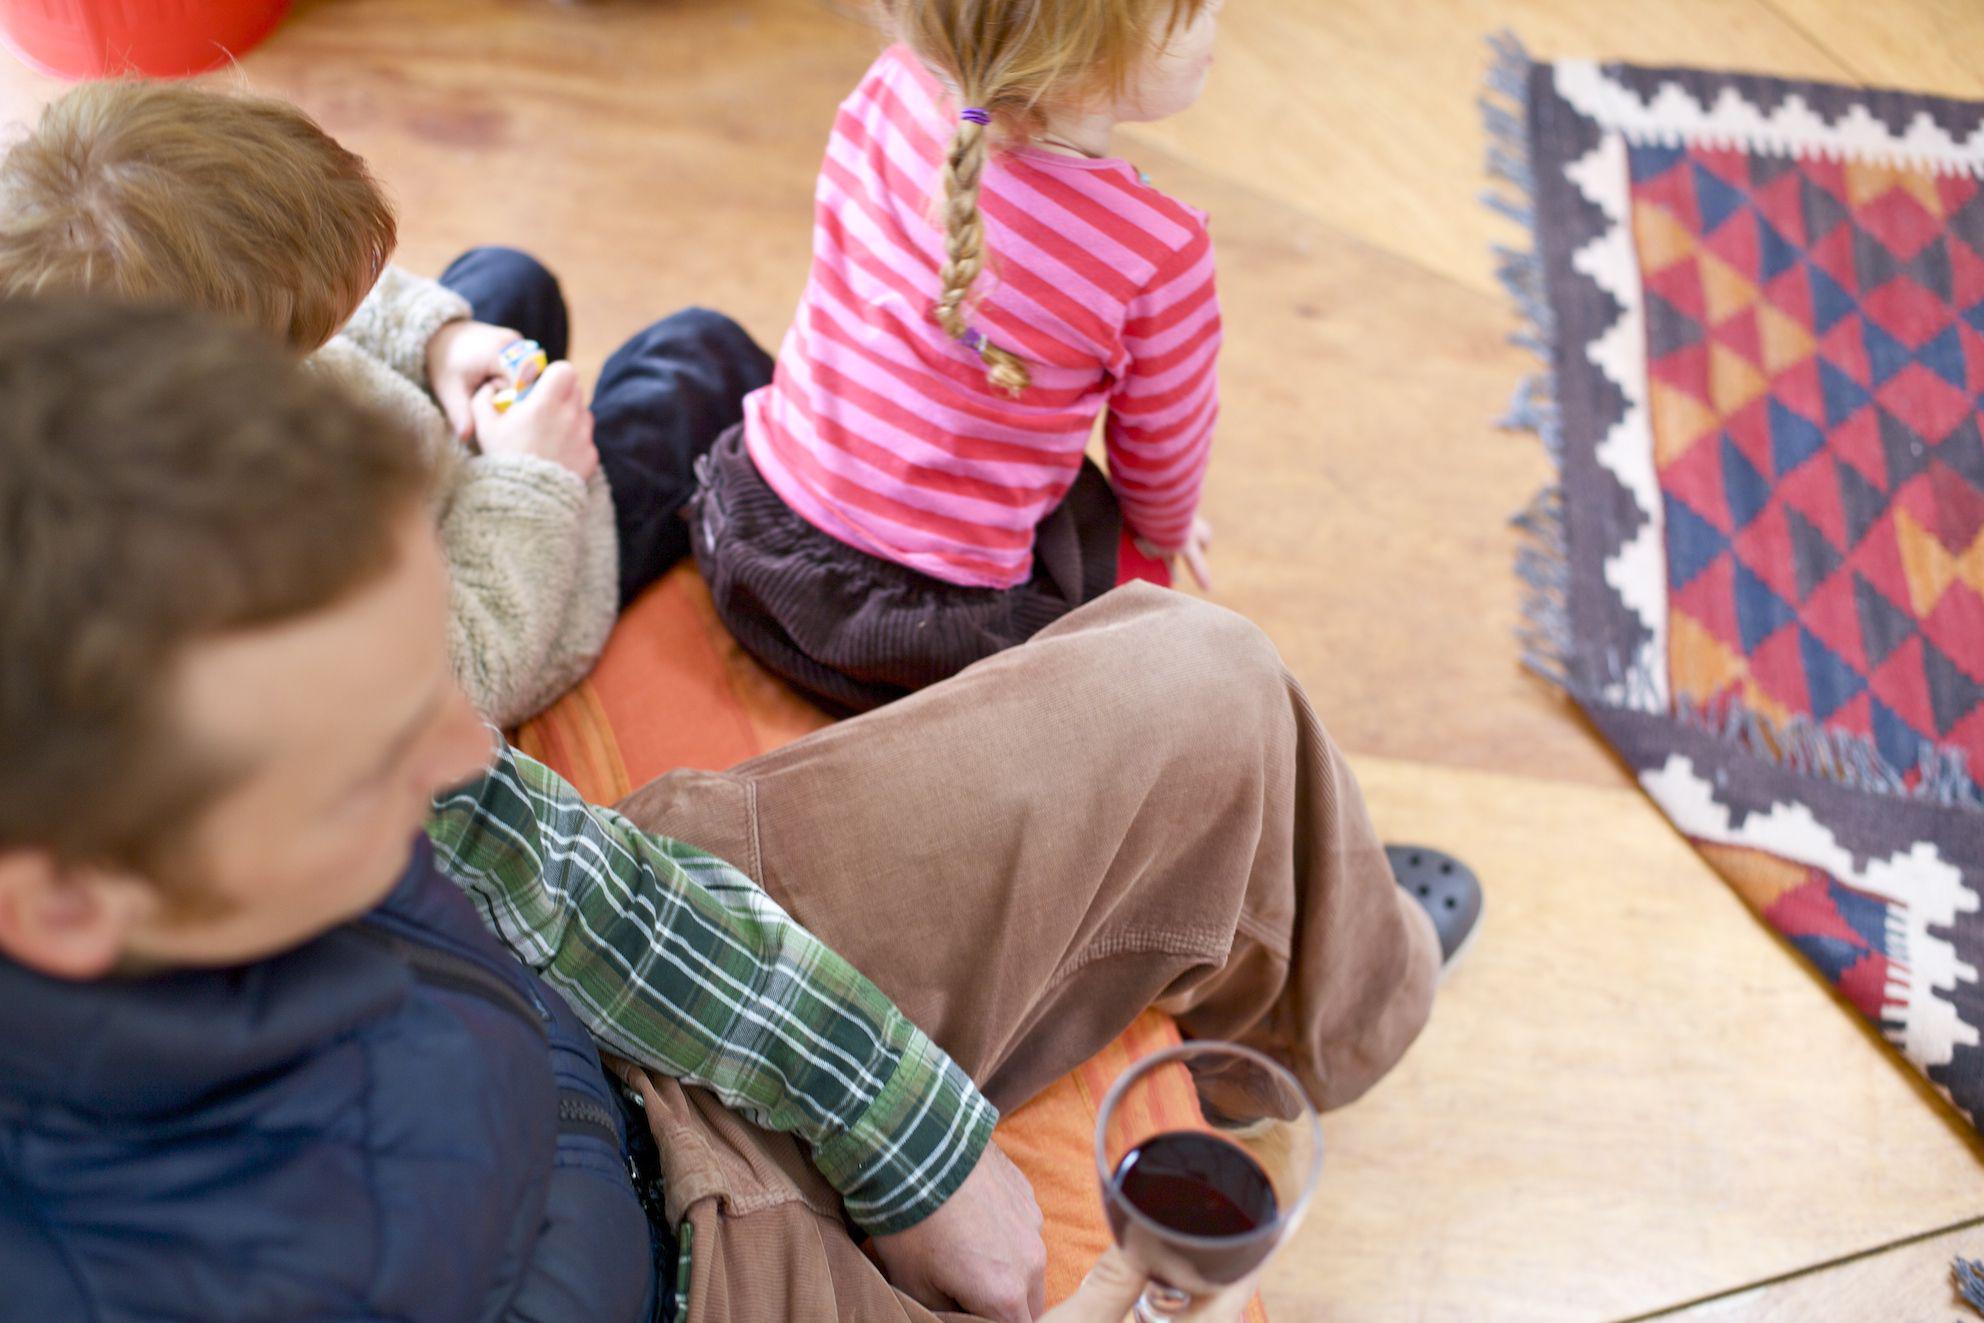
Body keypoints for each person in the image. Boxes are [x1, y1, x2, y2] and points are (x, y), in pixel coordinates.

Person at [0, 299, 1464, 1321]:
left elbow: (537, 849)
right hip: (686, 1281)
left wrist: (896, 1124)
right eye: (369, 751)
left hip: (607, 1012)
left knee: (1207, 679)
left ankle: (1348, 1006)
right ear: (63, 897)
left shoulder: (276, 758)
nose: (464, 750)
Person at [0, 81, 771, 727]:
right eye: (301, 331)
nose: (337, 315)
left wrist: (438, 340)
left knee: (508, 278)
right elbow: (471, 673)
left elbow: (306, 303)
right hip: (507, 590)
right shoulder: (251, 564)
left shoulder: (129, 370)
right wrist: (535, 476)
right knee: (691, 358)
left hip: (423, 460)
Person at [689, 0, 1225, 715]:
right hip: (927, 649)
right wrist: (1167, 527)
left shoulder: (892, 81)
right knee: (1127, 558)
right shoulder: (1157, 252)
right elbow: (1162, 448)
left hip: (747, 547)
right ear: (1085, 62)